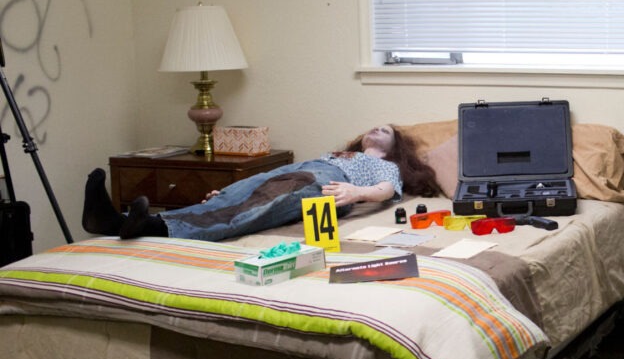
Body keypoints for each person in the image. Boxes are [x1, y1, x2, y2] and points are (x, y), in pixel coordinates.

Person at [83, 124, 440, 242]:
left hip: (328, 184)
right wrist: (230, 191)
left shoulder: (383, 166)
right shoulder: (339, 153)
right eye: (372, 127)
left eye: (387, 130)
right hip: (306, 168)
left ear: (396, 147)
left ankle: (142, 227)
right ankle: (121, 222)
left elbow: (387, 192)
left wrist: (354, 192)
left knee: (257, 208)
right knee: (240, 194)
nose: (377, 129)